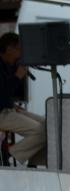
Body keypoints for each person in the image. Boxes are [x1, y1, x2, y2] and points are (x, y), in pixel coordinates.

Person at [0, 32, 46, 167]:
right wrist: (17, 76)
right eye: (19, 49)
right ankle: (10, 156)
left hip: (6, 107)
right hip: (1, 111)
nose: (21, 54)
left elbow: (9, 93)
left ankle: (34, 164)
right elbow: (2, 93)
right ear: (9, 49)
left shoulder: (8, 64)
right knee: (41, 131)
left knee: (49, 125)